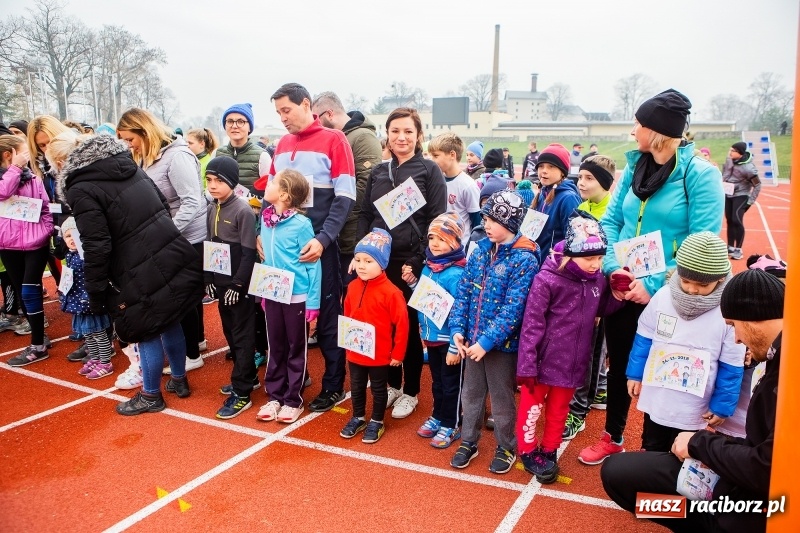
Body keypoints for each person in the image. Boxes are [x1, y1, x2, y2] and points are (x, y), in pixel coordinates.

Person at [578, 88, 724, 466]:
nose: (632, 131)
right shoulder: (632, 168)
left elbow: (703, 242)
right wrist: (615, 268)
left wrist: (655, 285)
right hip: (624, 285)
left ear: (658, 131)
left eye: (639, 124)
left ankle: (663, 448)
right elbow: (610, 221)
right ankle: (613, 435)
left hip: (673, 293)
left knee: (665, 368)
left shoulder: (701, 175)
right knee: (623, 361)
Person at [601, 268, 784, 533]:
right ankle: (692, 519)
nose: (736, 338)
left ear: (753, 318)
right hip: (743, 485)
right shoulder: (777, 359)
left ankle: (709, 522)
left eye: (734, 326)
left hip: (766, 503)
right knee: (618, 474)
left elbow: (768, 469)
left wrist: (701, 443)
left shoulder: (787, 378)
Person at [58, 134, 203, 415]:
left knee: (144, 328)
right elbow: (162, 204)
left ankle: (151, 395)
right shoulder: (129, 165)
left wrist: (96, 286)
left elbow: (97, 243)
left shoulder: (81, 187)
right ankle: (178, 379)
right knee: (170, 318)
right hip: (166, 248)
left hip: (133, 264)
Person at [256, 82, 356, 414]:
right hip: (282, 249)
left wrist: (323, 239)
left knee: (327, 319)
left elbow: (345, 197)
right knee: (285, 321)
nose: (283, 118)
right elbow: (271, 191)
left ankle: (333, 385)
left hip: (319, 247)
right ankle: (293, 382)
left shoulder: (334, 139)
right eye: (278, 112)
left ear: (305, 104)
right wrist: (261, 229)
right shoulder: (282, 144)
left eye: (286, 110)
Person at [357, 107, 447, 419]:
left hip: (411, 266)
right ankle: (392, 384)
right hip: (379, 263)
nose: (401, 137)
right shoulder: (379, 172)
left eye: (408, 131)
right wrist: (363, 254)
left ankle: (411, 390)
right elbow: (366, 214)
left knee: (407, 328)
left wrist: (418, 258)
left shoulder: (429, 170)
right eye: (395, 131)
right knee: (382, 325)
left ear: (419, 136)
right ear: (387, 134)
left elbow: (437, 219)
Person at [516, 210, 616, 483]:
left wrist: (617, 292)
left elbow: (603, 308)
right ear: (570, 255)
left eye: (600, 258)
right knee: (532, 410)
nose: (596, 264)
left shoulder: (596, 280)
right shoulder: (546, 279)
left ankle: (549, 449)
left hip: (573, 364)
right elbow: (532, 324)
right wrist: (526, 365)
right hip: (541, 364)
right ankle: (526, 450)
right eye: (590, 258)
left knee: (560, 410)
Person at [625, 232, 745, 452]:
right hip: (659, 398)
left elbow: (732, 364)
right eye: (686, 280)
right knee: (652, 446)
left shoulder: (727, 312)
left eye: (701, 284)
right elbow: (644, 336)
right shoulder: (662, 297)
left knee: (684, 454)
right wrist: (635, 373)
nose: (691, 289)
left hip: (694, 406)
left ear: (719, 279)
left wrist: (721, 406)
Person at [449, 190, 539, 474]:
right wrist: (457, 330)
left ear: (511, 225)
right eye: (486, 218)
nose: (486, 224)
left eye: (493, 220)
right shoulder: (479, 251)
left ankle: (506, 445)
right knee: (471, 393)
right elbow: (464, 291)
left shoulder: (525, 260)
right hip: (473, 341)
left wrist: (486, 341)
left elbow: (514, 309)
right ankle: (469, 440)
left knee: (501, 398)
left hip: (502, 346)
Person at [117, 108, 207, 375]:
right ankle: (196, 342)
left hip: (187, 237)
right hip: (169, 236)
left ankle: (191, 354)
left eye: (130, 138)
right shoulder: (147, 157)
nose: (128, 145)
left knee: (183, 297)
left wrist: (166, 234)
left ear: (144, 131)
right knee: (184, 296)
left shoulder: (177, 156)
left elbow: (192, 201)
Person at [255, 169, 320, 424]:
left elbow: (314, 264)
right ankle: (274, 395)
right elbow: (267, 259)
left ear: (283, 194)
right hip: (272, 294)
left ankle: (293, 400)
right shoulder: (265, 217)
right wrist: (263, 291)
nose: (267, 185)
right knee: (276, 346)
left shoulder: (302, 224)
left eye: (272, 182)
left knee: (296, 347)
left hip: (296, 297)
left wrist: (313, 301)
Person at [561, 154, 617, 438]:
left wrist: (598, 303)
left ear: (606, 183)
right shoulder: (581, 208)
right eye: (580, 177)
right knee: (579, 349)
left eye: (589, 178)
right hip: (577, 291)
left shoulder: (612, 214)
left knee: (593, 351)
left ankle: (578, 411)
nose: (581, 183)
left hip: (599, 293)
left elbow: (607, 259)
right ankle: (595, 392)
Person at [339, 228, 409, 444]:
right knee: (357, 386)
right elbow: (347, 314)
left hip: (380, 354)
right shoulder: (351, 287)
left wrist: (398, 354)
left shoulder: (392, 293)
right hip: (356, 352)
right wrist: (346, 341)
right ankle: (358, 417)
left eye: (368, 261)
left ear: (382, 263)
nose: (361, 265)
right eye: (358, 259)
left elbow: (403, 325)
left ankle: (377, 421)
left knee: (379, 389)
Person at [203, 156, 259, 419]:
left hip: (240, 285)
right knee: (230, 334)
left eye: (219, 181)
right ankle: (247, 377)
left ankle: (243, 391)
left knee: (243, 336)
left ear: (232, 182)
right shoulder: (212, 208)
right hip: (221, 283)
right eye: (209, 180)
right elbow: (210, 247)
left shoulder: (243, 211)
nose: (213, 186)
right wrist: (209, 279)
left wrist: (239, 283)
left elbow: (249, 253)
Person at [311, 91, 382, 290]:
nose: (314, 123)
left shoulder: (363, 138)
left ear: (330, 114)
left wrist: (336, 214)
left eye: (317, 118)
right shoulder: (337, 138)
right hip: (335, 230)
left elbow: (366, 185)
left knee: (350, 292)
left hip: (351, 232)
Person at [412, 213, 467, 448]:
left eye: (442, 239)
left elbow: (460, 311)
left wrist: (456, 346)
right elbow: (427, 298)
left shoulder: (456, 273)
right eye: (432, 237)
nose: (435, 243)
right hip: (431, 337)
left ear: (454, 242)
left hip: (449, 341)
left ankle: (451, 422)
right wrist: (413, 284)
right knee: (437, 382)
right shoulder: (429, 267)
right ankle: (438, 415)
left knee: (451, 383)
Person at [0, 134, 54, 366]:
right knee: (22, 292)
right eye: (23, 150)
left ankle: (38, 344)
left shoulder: (33, 178)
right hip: (7, 244)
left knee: (31, 291)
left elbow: (46, 206)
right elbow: (3, 192)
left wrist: (45, 230)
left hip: (35, 244)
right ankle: (38, 338)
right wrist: (14, 168)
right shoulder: (9, 176)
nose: (28, 155)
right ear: (8, 154)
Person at [57, 217, 117, 379]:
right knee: (87, 334)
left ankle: (106, 362)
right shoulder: (70, 256)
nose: (71, 240)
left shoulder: (86, 257)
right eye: (67, 236)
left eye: (75, 236)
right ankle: (95, 357)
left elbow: (93, 278)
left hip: (89, 302)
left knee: (98, 333)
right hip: (78, 303)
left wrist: (88, 296)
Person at [530, 143, 582, 262]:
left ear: (562, 172)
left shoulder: (568, 199)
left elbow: (575, 241)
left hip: (553, 268)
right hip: (537, 265)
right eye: (541, 166)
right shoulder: (542, 195)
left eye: (551, 167)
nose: (544, 171)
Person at [427, 133, 480, 247]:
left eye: (435, 156)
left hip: (459, 249)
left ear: (452, 154)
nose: (431, 160)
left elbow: (477, 223)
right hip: (437, 247)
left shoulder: (468, 185)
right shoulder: (434, 181)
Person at [216, 103, 272, 196]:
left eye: (240, 121)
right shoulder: (217, 153)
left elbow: (269, 190)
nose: (234, 126)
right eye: (230, 121)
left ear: (249, 126)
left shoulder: (262, 156)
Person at [722, 141, 760, 260]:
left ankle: (738, 249)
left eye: (733, 151)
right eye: (730, 150)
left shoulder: (749, 168)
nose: (730, 153)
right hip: (728, 194)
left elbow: (757, 185)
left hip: (741, 195)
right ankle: (730, 247)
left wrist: (750, 201)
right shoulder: (729, 161)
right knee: (729, 220)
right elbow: (725, 174)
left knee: (736, 220)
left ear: (740, 153)